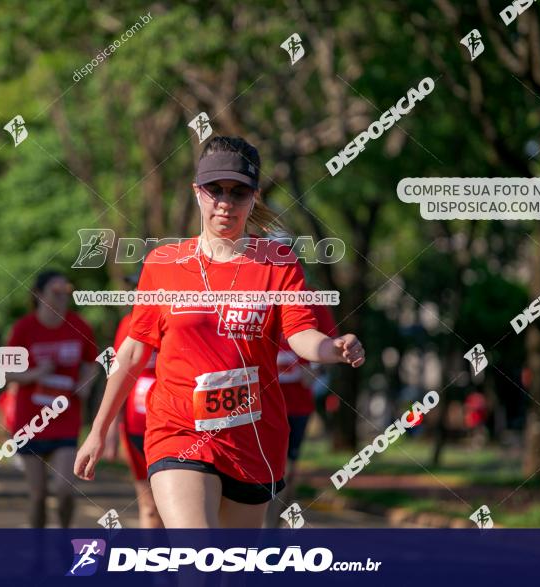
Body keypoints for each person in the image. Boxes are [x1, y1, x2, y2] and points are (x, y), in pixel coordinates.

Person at [74, 136, 365, 528]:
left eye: (238, 192)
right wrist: (98, 429)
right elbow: (131, 353)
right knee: (199, 553)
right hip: (177, 430)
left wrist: (332, 347)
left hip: (253, 438)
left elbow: (300, 334)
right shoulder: (163, 264)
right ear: (198, 193)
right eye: (215, 190)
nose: (225, 202)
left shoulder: (277, 263)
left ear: (253, 197)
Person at [5, 270, 98, 528]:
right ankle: (39, 549)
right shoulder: (24, 329)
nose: (61, 298)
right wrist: (36, 373)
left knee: (65, 490)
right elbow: (7, 372)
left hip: (66, 420)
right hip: (31, 423)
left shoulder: (79, 325)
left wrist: (85, 384)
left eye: (65, 293)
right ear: (38, 295)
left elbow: (92, 363)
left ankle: (64, 536)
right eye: (55, 293)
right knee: (38, 496)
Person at [265, 301, 337, 527]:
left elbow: (332, 345)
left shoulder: (314, 300)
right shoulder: (254, 290)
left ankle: (272, 529)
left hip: (297, 402)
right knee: (262, 464)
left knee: (287, 467)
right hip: (259, 401)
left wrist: (316, 370)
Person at [106, 285, 164, 528]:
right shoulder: (128, 324)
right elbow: (118, 375)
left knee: (176, 509)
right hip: (135, 428)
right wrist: (109, 430)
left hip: (172, 426)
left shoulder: (182, 321)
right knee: (150, 507)